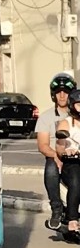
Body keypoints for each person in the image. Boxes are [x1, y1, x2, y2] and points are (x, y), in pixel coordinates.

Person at [36, 73, 77, 229]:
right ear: (53, 94)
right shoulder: (46, 117)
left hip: (77, 155)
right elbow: (43, 145)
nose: (62, 95)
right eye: (58, 92)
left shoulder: (77, 114)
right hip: (56, 156)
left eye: (65, 92)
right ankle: (56, 209)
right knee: (51, 169)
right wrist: (56, 155)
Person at [55, 87, 80, 233]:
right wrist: (67, 151)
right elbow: (59, 147)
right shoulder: (66, 123)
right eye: (79, 104)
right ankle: (72, 219)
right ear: (72, 105)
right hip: (72, 163)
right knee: (76, 181)